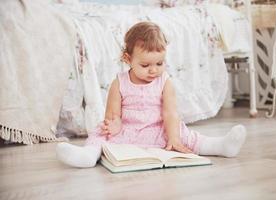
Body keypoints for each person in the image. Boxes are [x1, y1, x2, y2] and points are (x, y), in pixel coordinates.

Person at [56, 21, 247, 168]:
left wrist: (173, 138)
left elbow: (171, 114)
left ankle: (220, 146)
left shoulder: (165, 82)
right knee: (99, 134)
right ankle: (88, 155)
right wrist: (114, 124)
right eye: (145, 65)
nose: (153, 70)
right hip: (127, 131)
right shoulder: (119, 82)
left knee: (185, 135)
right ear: (128, 59)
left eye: (159, 63)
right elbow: (113, 115)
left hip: (158, 130)